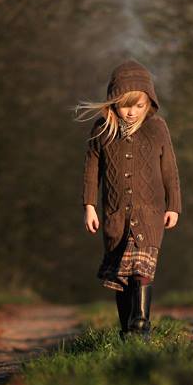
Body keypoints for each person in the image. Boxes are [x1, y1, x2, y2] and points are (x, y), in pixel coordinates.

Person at [73, 58, 183, 341]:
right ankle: (127, 332)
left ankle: (141, 325)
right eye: (125, 105)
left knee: (142, 268)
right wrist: (89, 206)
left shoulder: (157, 128)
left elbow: (170, 169)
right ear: (113, 103)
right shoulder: (101, 130)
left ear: (149, 103)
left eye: (138, 105)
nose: (131, 112)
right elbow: (90, 171)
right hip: (114, 216)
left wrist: (174, 206)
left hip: (150, 213)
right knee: (120, 276)